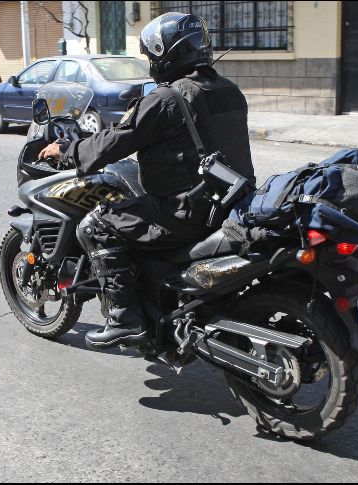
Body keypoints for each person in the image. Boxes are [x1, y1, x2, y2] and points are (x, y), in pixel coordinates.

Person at [38, 12, 254, 350]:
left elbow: (115, 142)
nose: (150, 62)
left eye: (151, 55)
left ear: (165, 53)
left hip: (186, 212)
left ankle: (125, 319)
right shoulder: (229, 90)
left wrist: (68, 150)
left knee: (96, 225)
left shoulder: (167, 99)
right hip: (230, 204)